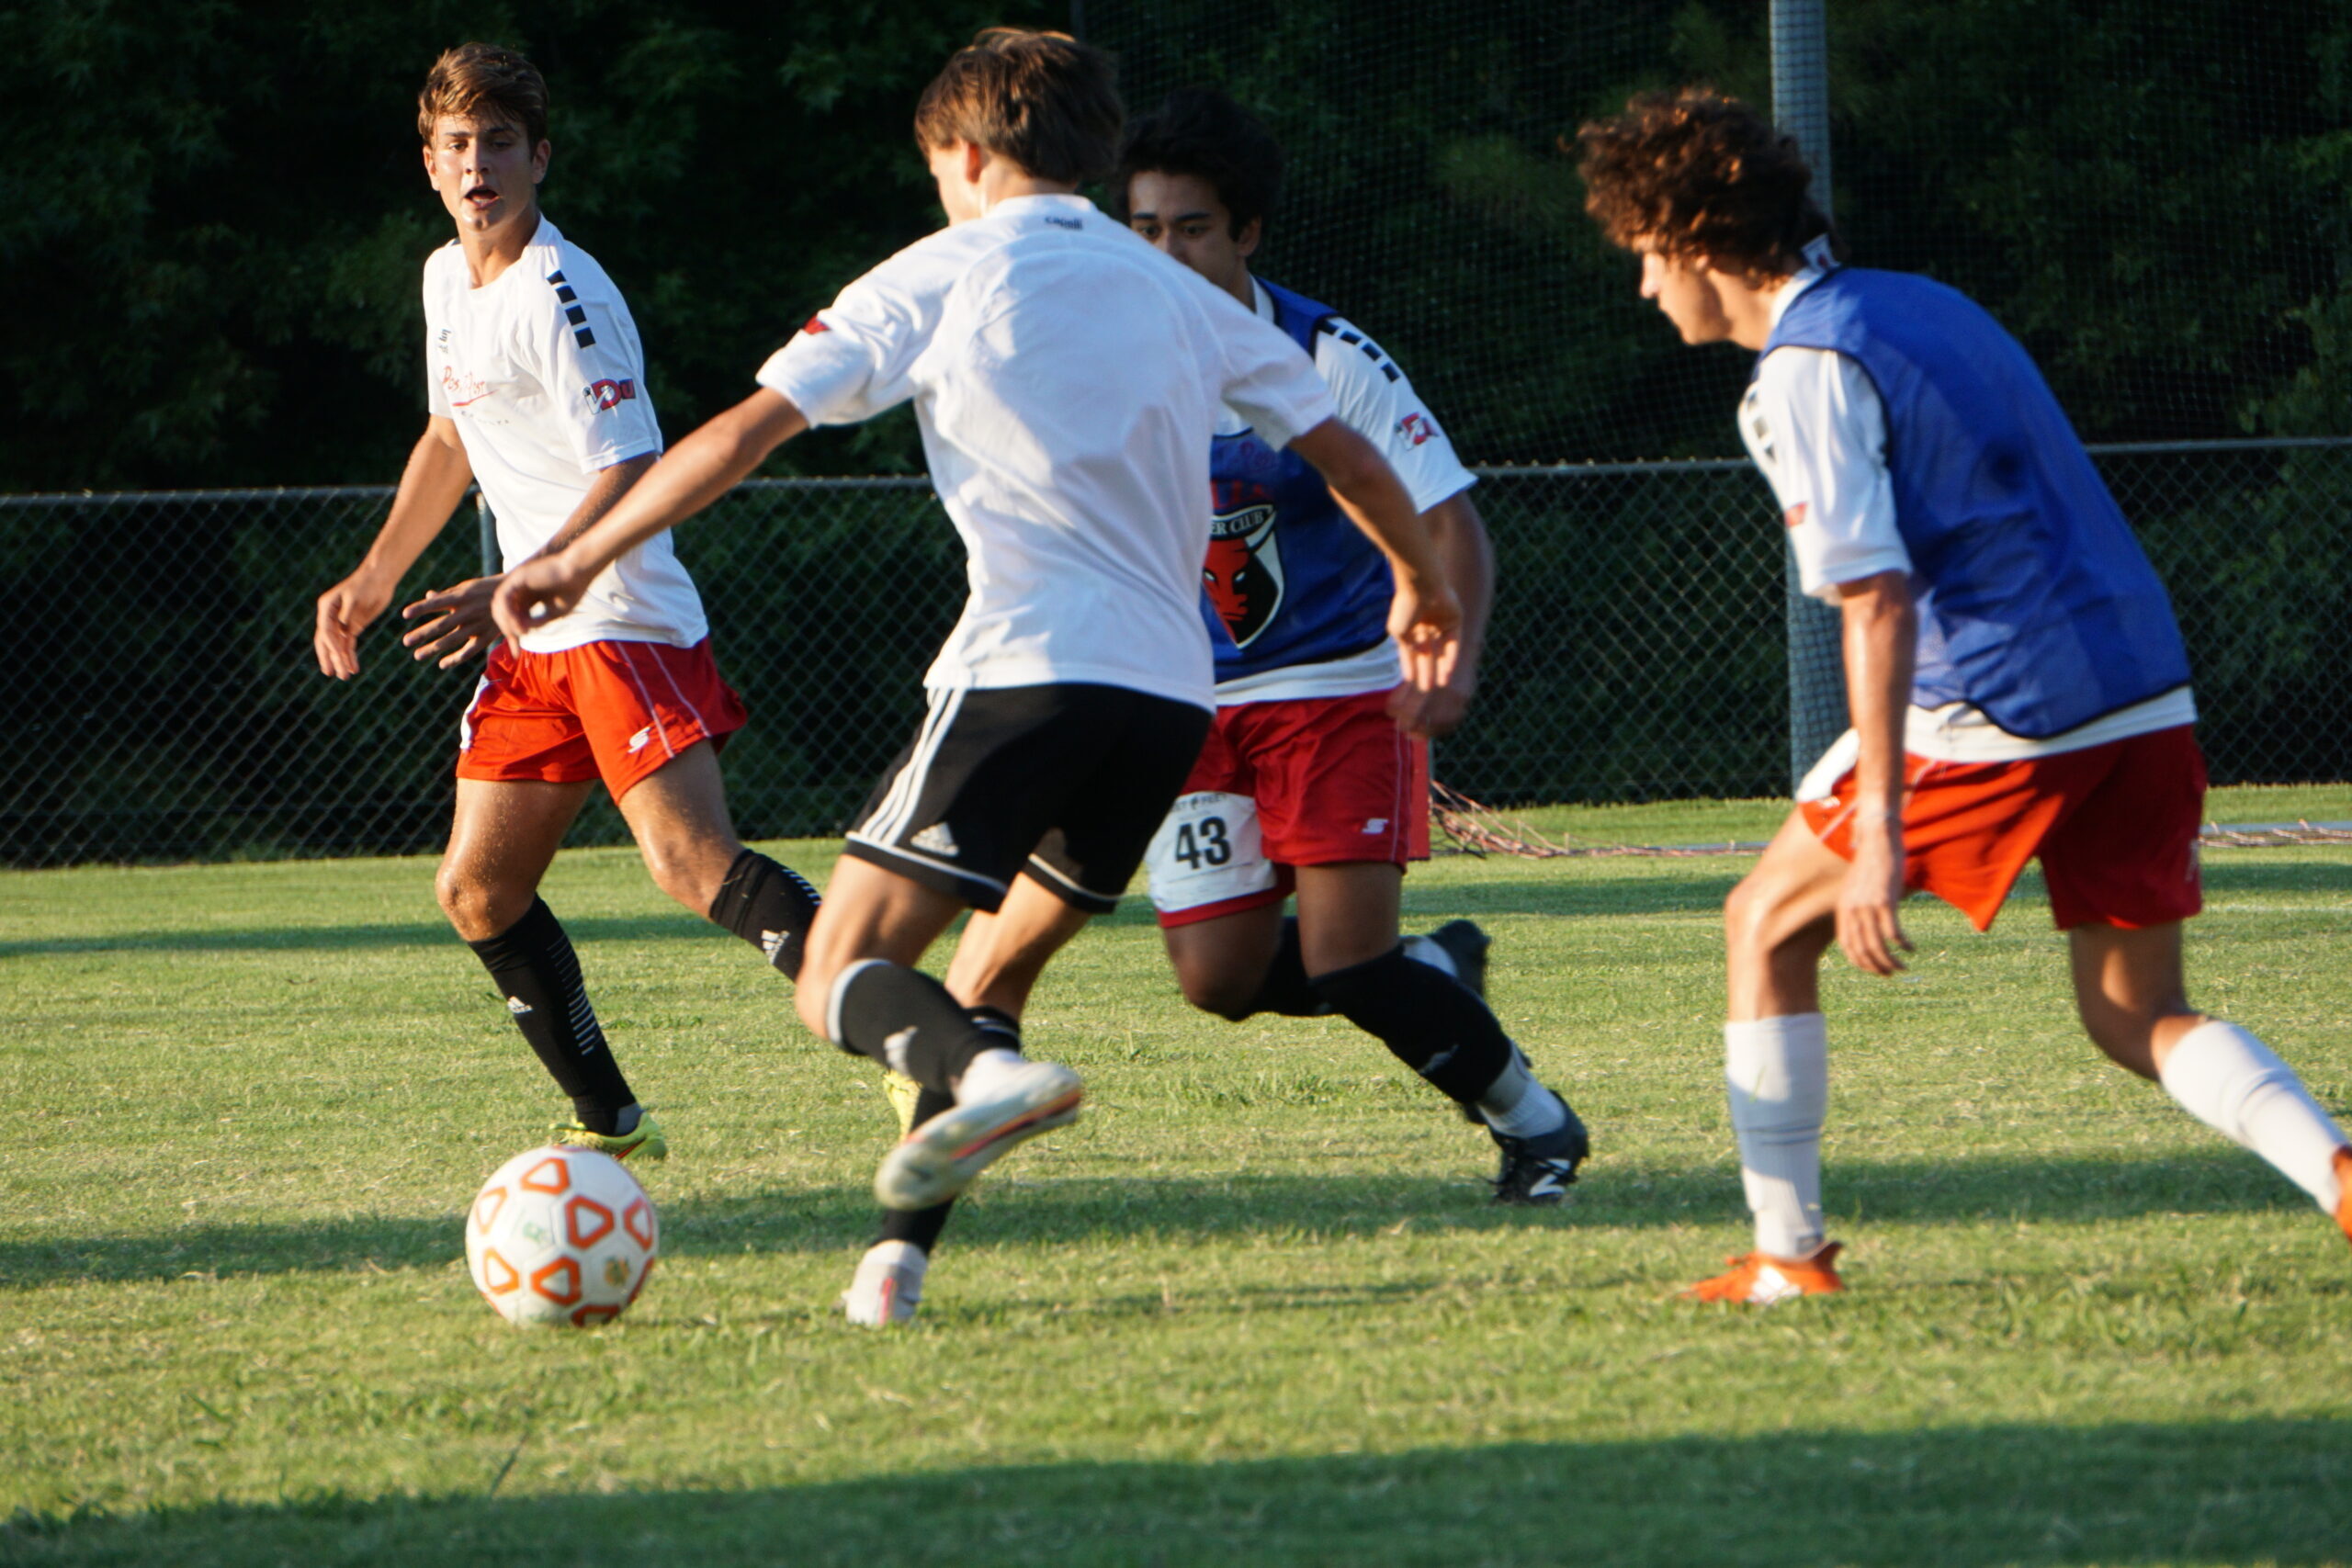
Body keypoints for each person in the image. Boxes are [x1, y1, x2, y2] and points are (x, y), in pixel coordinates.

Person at [491, 29, 1462, 1325]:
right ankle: (896, 1262)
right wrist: (1426, 583)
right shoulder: (1175, 286)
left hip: (1025, 674)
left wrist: (577, 553)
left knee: (841, 967)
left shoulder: (938, 271)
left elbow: (741, 435)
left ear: (960, 153)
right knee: (982, 980)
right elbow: (1343, 446)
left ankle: (986, 1082)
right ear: (1094, 154)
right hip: (1170, 707)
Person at [1577, 88, 2352, 1304]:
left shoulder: (1806, 366)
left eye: (1643, 259)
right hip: (2142, 686)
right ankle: (2341, 1174)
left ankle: (1788, 1256)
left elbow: (1876, 601)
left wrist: (1881, 822)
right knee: (2133, 1011)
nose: (1643, 291)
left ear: (1695, 242)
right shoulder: (1923, 302)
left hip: (2003, 703)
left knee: (1762, 923)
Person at [944, 88, 1587, 1220]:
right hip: (1187, 707)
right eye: (1141, 228)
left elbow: (1449, 520)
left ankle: (1535, 1126)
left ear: (1246, 233)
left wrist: (1455, 650)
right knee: (1217, 982)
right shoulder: (1104, 359)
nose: (1163, 251)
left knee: (1346, 962)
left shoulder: (1320, 354)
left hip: (1340, 693)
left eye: (1190, 227)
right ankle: (1433, 975)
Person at [312, 44, 820, 1161]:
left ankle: (913, 1030)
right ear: (431, 165)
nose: (478, 163)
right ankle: (610, 1125)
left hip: (612, 611)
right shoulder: (449, 278)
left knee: (690, 863)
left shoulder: (563, 290)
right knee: (478, 892)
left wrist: (525, 575)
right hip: (527, 627)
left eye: (500, 142)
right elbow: (452, 435)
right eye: (457, 144)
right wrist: (377, 572)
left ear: (539, 157)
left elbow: (631, 463)